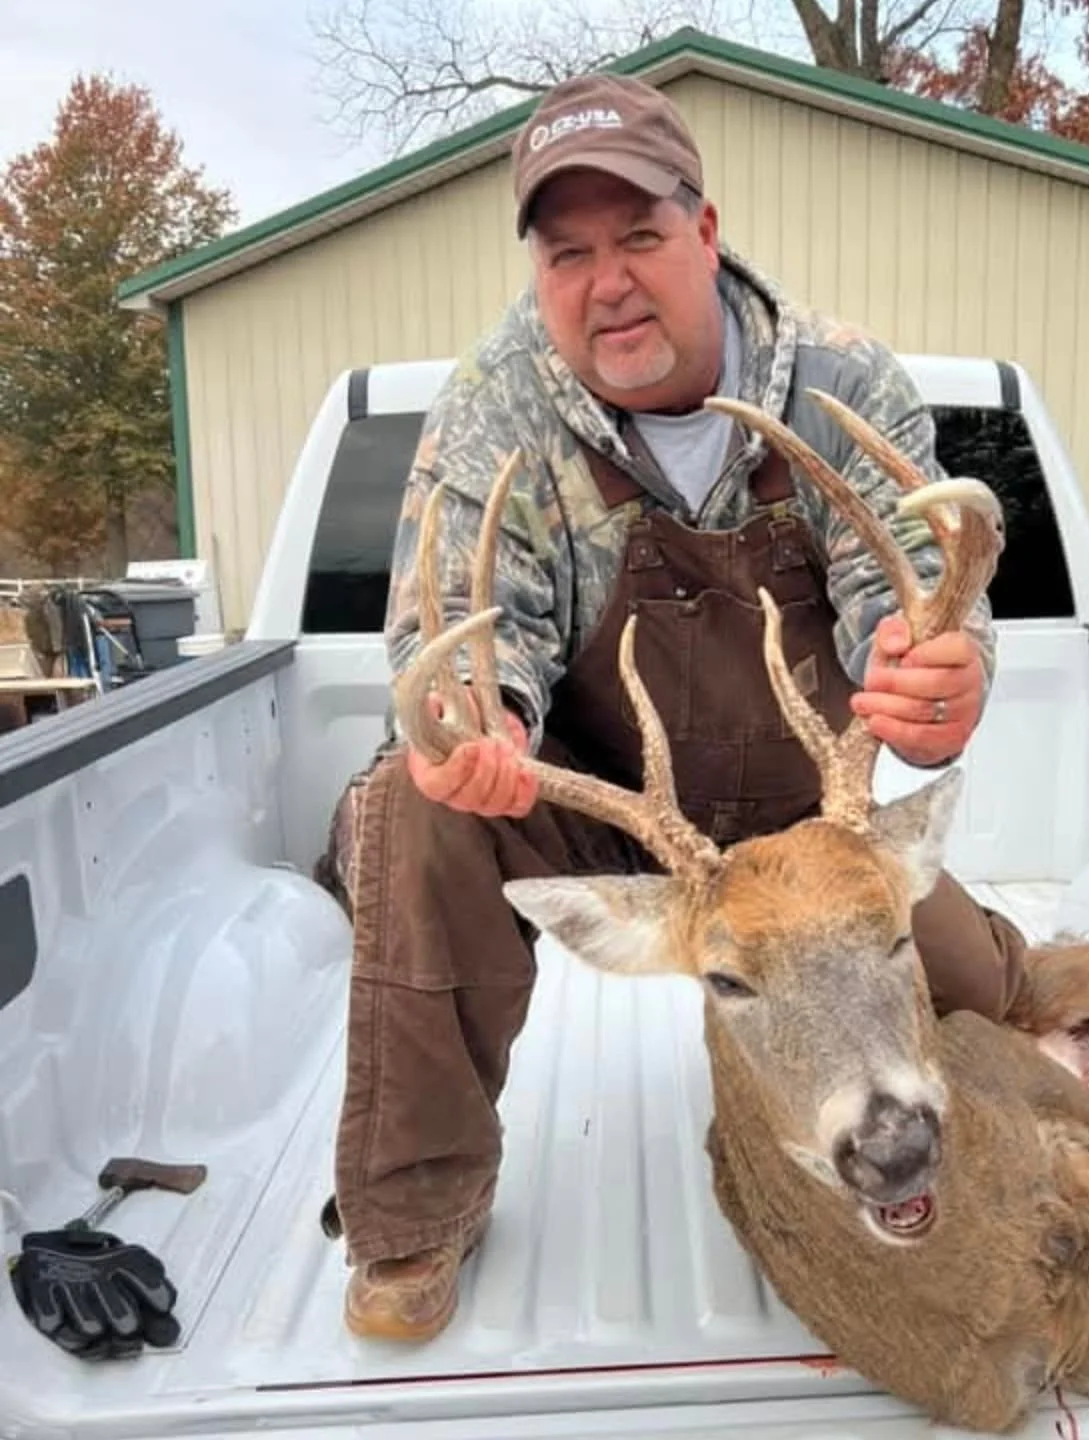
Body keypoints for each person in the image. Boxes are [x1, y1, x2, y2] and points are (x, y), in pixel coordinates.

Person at [318, 69, 1028, 1344]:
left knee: (997, 1006)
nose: (609, 282)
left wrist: (935, 671)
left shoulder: (844, 383)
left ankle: (1034, 982)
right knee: (407, 806)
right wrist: (482, 719)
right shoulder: (501, 410)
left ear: (705, 234)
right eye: (569, 252)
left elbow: (912, 588)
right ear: (540, 273)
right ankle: (412, 1212)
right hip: (621, 818)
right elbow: (455, 621)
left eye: (640, 236)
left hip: (817, 831)